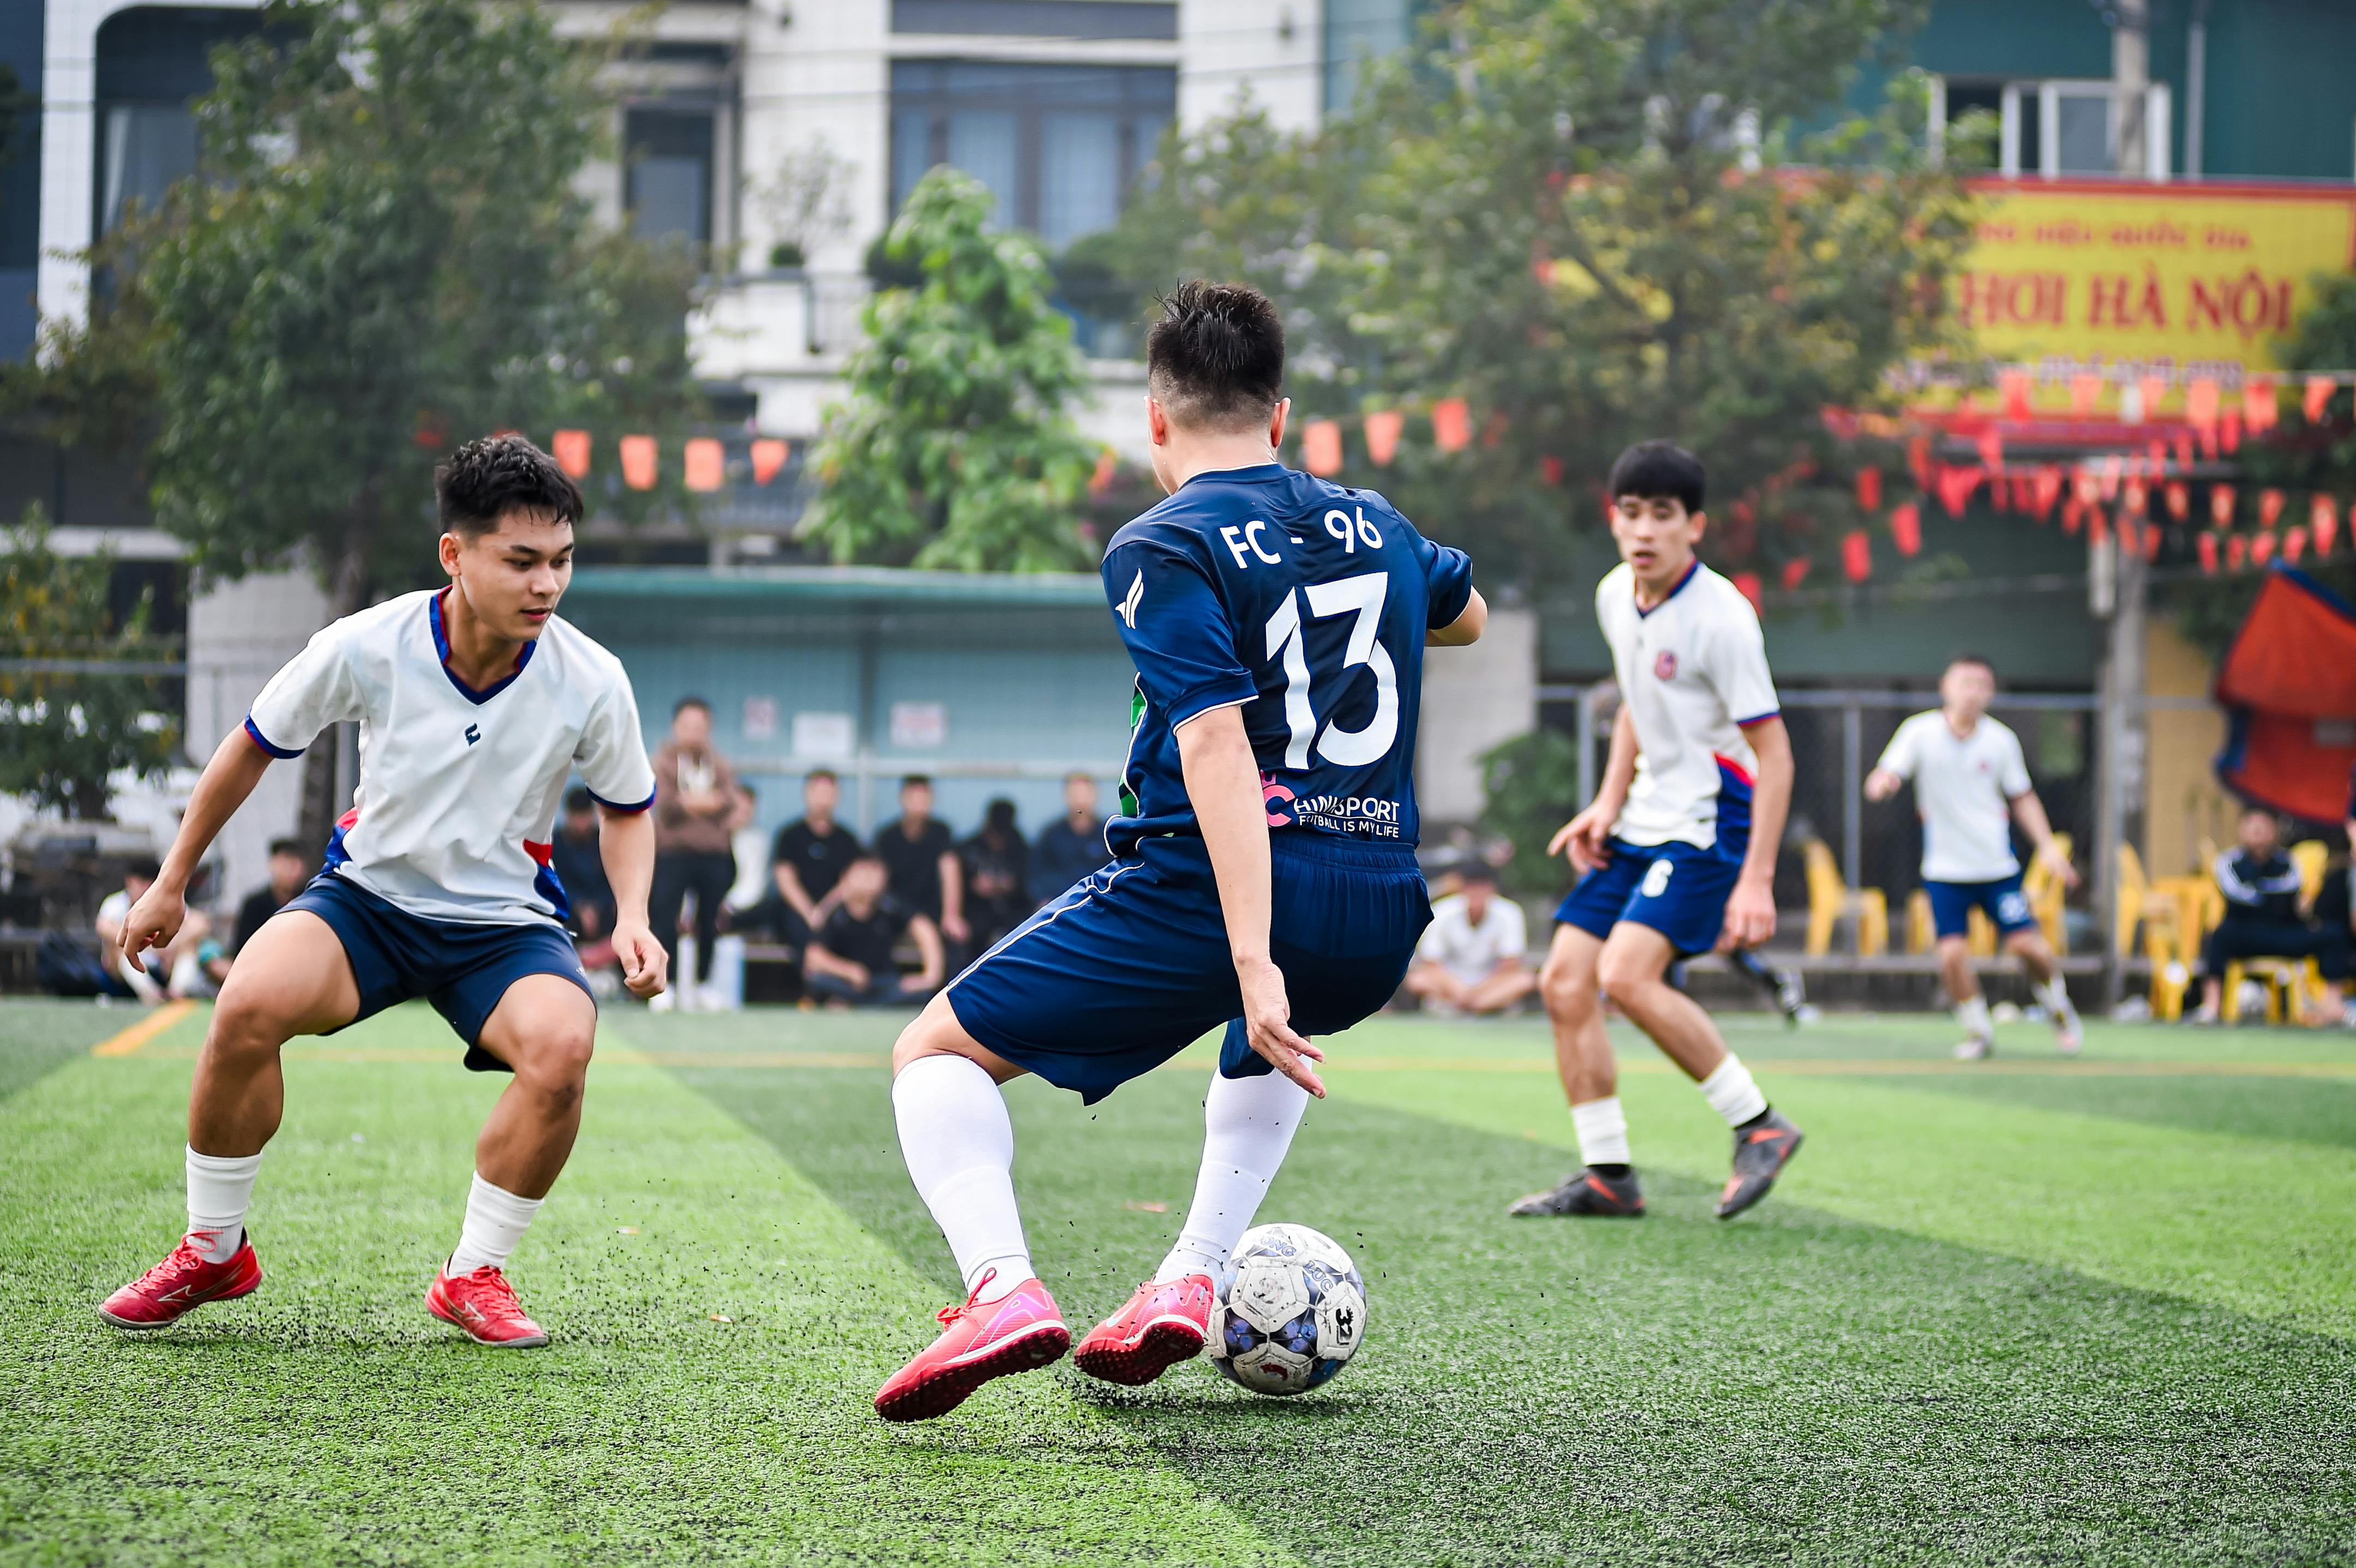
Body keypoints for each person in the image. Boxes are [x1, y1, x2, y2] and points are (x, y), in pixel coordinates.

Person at [870, 280, 1484, 1422]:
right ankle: (1192, 1275)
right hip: (1379, 909)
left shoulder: (1163, 541)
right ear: (1282, 414)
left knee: (932, 1054)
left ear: (1153, 420)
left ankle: (1000, 1289)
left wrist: (1249, 954)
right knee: (1273, 1041)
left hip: (1208, 897)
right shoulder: (1378, 522)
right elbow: (1466, 614)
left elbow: (1213, 751)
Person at [97, 434, 666, 1348]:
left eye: (561, 562)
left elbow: (628, 807)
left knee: (563, 1049)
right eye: (520, 562)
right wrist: (170, 882)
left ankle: (474, 1273)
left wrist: (634, 916)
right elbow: (250, 746)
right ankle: (212, 1250)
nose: (546, 585)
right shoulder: (368, 644)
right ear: (456, 554)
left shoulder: (591, 678)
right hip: (366, 904)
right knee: (244, 1003)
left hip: (502, 927)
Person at [1511, 441, 1802, 1223]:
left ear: (1694, 526)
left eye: (1662, 515)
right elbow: (1638, 704)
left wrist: (1756, 877)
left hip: (1711, 820)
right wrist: (1606, 802)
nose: (1644, 530)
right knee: (1563, 981)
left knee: (1627, 975)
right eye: (1630, 513)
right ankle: (1607, 1174)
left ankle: (1759, 1123)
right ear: (1613, 521)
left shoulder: (1722, 620)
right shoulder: (1615, 596)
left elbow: (1774, 756)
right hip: (1642, 817)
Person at [1865, 654, 2084, 1060]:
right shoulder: (1919, 732)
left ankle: (2058, 1008)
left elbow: (2022, 797)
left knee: (2029, 948)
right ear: (1945, 687)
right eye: (1964, 682)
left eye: (1981, 684)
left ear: (1991, 692)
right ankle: (1978, 1031)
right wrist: (1883, 782)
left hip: (1996, 867)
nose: (1972, 692)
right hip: (1945, 870)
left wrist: (2048, 847)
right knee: (1950, 955)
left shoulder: (2000, 740)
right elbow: (1889, 770)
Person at [2191, 806, 2348, 1024]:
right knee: (2217, 935)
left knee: (2333, 933)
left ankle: (2333, 1006)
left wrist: (2259, 891)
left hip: (2284, 932)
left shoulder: (2288, 862)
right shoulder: (2228, 862)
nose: (2259, 832)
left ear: (2275, 830)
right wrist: (2267, 894)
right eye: (2253, 827)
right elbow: (2238, 897)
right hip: (2244, 932)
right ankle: (2211, 1005)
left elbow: (2289, 893)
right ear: (2242, 830)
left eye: (2264, 827)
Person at [648, 697, 750, 1012]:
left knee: (710, 921)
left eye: (700, 726)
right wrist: (708, 802)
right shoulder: (662, 761)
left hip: (713, 855)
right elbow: (666, 805)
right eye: (687, 725)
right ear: (676, 727)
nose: (694, 732)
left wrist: (691, 801)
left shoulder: (719, 763)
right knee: (665, 918)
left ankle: (704, 985)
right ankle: (666, 986)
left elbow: (731, 801)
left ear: (709, 729)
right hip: (672, 853)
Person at [803, 855, 944, 1007]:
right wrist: (850, 971)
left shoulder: (890, 907)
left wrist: (931, 976)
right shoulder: (834, 912)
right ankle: (852, 1002)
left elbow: (924, 928)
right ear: (846, 877)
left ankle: (856, 1004)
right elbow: (813, 957)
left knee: (921, 994)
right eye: (862, 873)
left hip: (884, 981)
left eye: (875, 873)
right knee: (817, 980)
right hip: (846, 982)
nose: (869, 879)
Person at [1405, 864, 1534, 1014]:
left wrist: (1474, 992)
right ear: (1462, 889)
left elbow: (1510, 964)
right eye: (1472, 888)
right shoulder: (1442, 911)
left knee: (1525, 980)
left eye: (1482, 887)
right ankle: (1479, 1006)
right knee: (1417, 979)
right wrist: (1459, 990)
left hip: (1491, 984)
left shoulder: (1510, 912)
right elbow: (1432, 962)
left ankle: (1471, 1005)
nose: (1476, 893)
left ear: (1492, 889)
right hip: (1450, 983)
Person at [760, 769, 863, 946]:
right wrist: (810, 913)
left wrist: (823, 911)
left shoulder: (847, 840)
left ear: (838, 797)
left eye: (829, 793)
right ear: (807, 794)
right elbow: (786, 881)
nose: (824, 799)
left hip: (834, 909)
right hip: (796, 909)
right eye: (818, 792)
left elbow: (850, 882)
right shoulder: (790, 836)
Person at [95, 860, 211, 1001]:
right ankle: (150, 994)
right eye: (142, 882)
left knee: (189, 946)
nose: (146, 887)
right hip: (122, 976)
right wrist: (144, 943)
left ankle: (176, 992)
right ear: (130, 882)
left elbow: (200, 924)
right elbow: (103, 927)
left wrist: (171, 945)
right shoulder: (116, 904)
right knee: (118, 949)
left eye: (151, 882)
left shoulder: (165, 903)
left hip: (161, 968)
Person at [876, 776, 966, 956]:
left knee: (958, 942)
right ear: (903, 799)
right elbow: (879, 879)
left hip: (932, 906)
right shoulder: (887, 836)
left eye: (925, 798)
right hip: (896, 910)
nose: (920, 803)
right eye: (915, 798)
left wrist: (951, 915)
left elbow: (950, 872)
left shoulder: (941, 832)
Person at [549, 789, 616, 969]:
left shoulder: (602, 841)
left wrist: (595, 906)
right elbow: (555, 882)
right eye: (576, 817)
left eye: (584, 817)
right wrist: (579, 905)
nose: (581, 824)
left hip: (603, 911)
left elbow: (611, 882)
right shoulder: (556, 843)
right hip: (569, 911)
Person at [959, 798, 1032, 951]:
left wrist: (1011, 885)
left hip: (1013, 910)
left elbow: (1028, 885)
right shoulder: (970, 848)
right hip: (977, 910)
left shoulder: (1020, 847)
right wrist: (974, 885)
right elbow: (962, 885)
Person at [1030, 772, 1108, 903]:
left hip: (1100, 906)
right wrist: (1043, 901)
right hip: (1058, 907)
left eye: (1085, 794)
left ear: (1095, 796)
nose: (1080, 801)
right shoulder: (1051, 835)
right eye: (1075, 794)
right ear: (1066, 796)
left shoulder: (1108, 834)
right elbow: (1036, 874)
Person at [233, 840, 310, 956]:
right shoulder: (254, 905)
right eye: (285, 862)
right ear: (272, 864)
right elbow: (242, 949)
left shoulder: (309, 902)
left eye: (295, 863)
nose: (290, 869)